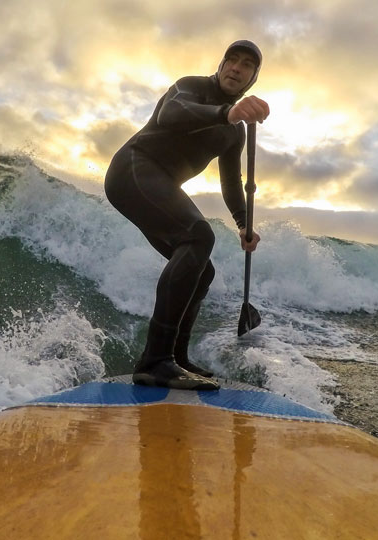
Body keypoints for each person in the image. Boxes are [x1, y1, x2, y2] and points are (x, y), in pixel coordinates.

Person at [104, 40, 270, 390]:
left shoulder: (233, 131)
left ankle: (175, 358)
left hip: (159, 184)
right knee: (199, 235)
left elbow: (231, 182)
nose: (236, 68)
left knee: (202, 270)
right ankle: (154, 361)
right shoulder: (190, 87)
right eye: (231, 60)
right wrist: (227, 113)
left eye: (246, 66)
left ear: (252, 78)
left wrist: (243, 224)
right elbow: (171, 115)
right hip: (133, 169)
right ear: (222, 64)